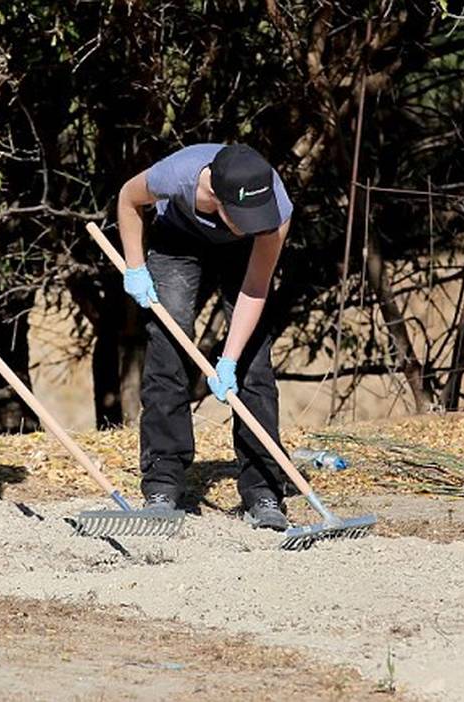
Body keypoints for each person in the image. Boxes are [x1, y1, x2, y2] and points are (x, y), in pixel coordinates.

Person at [117, 143, 293, 530]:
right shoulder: (178, 176)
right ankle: (163, 482)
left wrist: (229, 358)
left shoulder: (273, 214)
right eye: (243, 215)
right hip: (178, 242)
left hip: (242, 257)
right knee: (169, 345)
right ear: (216, 195)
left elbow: (255, 288)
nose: (253, 221)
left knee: (253, 360)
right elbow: (129, 198)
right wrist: (135, 266)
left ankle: (264, 489)